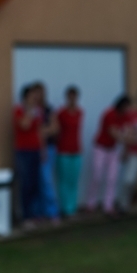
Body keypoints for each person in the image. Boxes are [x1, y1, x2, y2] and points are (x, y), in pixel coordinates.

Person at [87, 95, 132, 215]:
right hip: (101, 147)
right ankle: (91, 203)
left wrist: (126, 148)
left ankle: (108, 205)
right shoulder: (109, 114)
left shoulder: (126, 116)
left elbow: (129, 131)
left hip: (113, 149)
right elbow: (113, 133)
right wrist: (127, 139)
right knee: (97, 175)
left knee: (112, 178)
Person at [13, 85, 43, 225]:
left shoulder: (38, 111)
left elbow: (39, 130)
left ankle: (34, 213)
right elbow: (24, 125)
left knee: (35, 183)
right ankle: (25, 216)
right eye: (32, 96)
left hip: (35, 150)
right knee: (26, 183)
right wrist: (30, 111)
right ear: (25, 97)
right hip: (23, 151)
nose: (35, 98)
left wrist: (42, 149)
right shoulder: (19, 110)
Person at [33, 82, 60, 223]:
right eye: (38, 92)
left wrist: (43, 131)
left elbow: (55, 128)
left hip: (48, 149)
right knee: (35, 181)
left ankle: (52, 212)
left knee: (46, 180)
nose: (41, 95)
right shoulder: (30, 110)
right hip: (32, 150)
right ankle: (38, 213)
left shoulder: (49, 110)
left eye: (43, 92)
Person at [56, 86, 83, 218]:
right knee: (64, 181)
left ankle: (73, 207)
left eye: (75, 96)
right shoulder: (61, 113)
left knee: (74, 180)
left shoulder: (80, 112)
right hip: (64, 150)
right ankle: (65, 208)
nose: (72, 99)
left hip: (76, 150)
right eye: (70, 96)